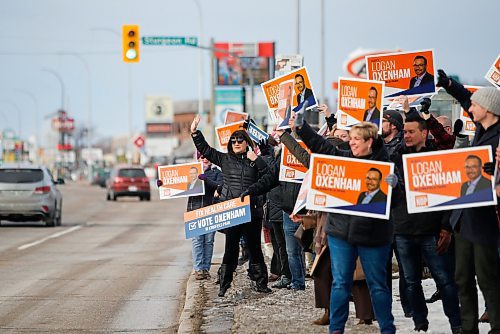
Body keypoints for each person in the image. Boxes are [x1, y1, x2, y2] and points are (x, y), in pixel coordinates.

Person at [291, 119, 399, 334]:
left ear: (370, 142)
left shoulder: (386, 165)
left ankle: (388, 329)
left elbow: (396, 201)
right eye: (351, 139)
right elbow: (321, 146)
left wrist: (395, 185)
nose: (352, 143)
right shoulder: (344, 159)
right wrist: (302, 127)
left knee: (377, 284)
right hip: (341, 234)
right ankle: (336, 329)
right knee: (340, 283)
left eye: (357, 139)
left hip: (374, 236)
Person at [438, 70, 500, 333]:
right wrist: (450, 85)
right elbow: (467, 100)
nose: (469, 108)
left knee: (487, 279)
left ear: (488, 108)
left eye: (475, 105)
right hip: (464, 218)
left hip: (486, 219)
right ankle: (468, 328)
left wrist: (494, 169)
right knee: (462, 278)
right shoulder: (482, 129)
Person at [391, 114, 461, 333]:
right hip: (403, 230)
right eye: (404, 132)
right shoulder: (395, 157)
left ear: (424, 133)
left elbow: (449, 195)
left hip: (432, 230)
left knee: (445, 281)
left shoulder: (437, 156)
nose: (407, 136)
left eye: (411, 132)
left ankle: (456, 323)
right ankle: (420, 322)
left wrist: (446, 227)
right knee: (411, 282)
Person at [190, 115, 272, 297]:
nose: (236, 142)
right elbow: (206, 149)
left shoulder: (254, 160)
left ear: (246, 142)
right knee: (231, 249)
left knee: (254, 249)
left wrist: (256, 159)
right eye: (233, 140)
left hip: (252, 210)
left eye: (240, 140)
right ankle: (224, 284)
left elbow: (269, 175)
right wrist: (195, 132)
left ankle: (261, 283)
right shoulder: (225, 159)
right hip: (232, 211)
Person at [187, 154, 223, 280]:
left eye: (207, 157)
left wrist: (205, 179)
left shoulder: (216, 172)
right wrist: (163, 184)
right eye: (202, 157)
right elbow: (179, 186)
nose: (205, 159)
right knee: (197, 240)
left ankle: (205, 268)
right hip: (195, 210)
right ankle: (198, 269)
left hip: (211, 210)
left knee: (208, 241)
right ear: (198, 159)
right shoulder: (190, 171)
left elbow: (220, 186)